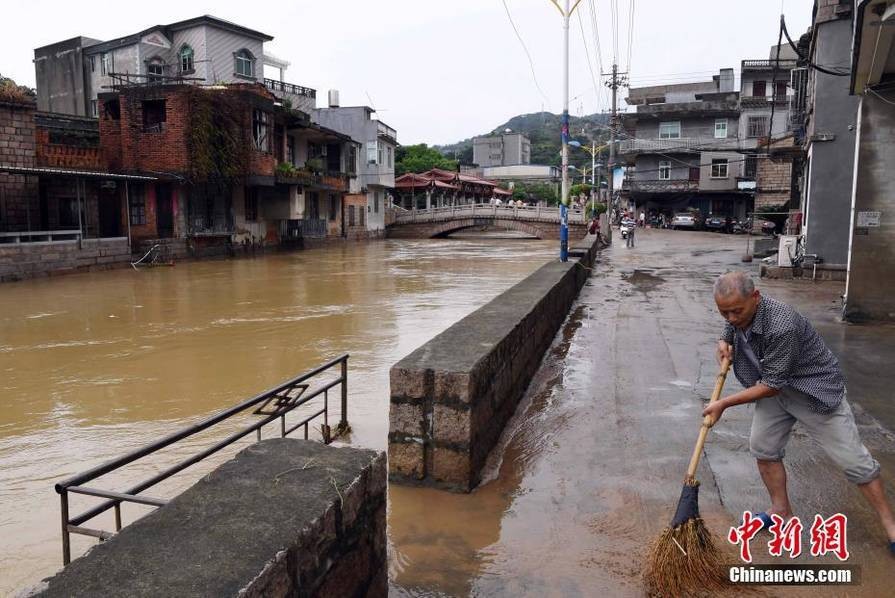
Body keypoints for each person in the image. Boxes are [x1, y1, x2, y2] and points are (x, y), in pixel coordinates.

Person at [705, 272, 895, 554]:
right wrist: (724, 339)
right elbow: (732, 328)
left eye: (736, 311)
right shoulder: (738, 315)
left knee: (854, 462)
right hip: (773, 388)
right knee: (764, 449)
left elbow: (773, 383)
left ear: (755, 298)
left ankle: (891, 526)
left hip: (813, 391)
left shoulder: (783, 325)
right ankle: (780, 512)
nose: (731, 317)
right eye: (724, 312)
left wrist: (723, 403)